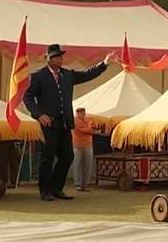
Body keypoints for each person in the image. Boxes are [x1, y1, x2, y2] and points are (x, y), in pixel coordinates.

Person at [23, 44, 114, 201]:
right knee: (48, 158)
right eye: (57, 56)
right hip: (49, 124)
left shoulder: (67, 75)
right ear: (49, 58)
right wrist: (39, 115)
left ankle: (57, 188)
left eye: (61, 56)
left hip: (65, 124)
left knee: (67, 156)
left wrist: (104, 64)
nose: (61, 59)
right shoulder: (38, 76)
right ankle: (45, 191)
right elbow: (28, 97)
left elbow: (87, 75)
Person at [71, 108, 96, 192]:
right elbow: (84, 130)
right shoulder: (75, 120)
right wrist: (90, 129)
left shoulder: (88, 119)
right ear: (77, 113)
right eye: (80, 112)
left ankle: (85, 184)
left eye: (83, 112)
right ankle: (77, 184)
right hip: (77, 145)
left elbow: (93, 128)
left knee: (88, 165)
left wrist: (90, 129)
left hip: (88, 145)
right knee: (77, 165)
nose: (82, 113)